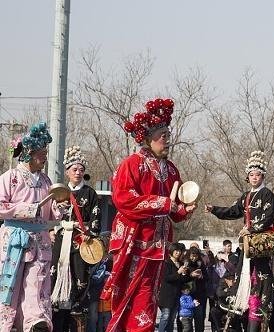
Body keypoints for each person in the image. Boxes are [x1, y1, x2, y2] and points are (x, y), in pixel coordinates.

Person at [100, 98, 196, 331]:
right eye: (162, 135)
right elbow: (124, 199)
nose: (167, 140)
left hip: (158, 246)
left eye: (167, 135)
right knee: (127, 296)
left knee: (148, 299)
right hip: (135, 243)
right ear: (148, 137)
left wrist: (184, 209)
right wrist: (164, 204)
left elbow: (176, 207)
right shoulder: (132, 164)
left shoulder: (170, 169)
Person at [205, 150, 274, 332]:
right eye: (251, 174)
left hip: (259, 245)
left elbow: (268, 217)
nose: (254, 177)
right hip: (246, 246)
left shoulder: (267, 194)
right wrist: (214, 209)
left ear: (263, 176)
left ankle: (257, 317)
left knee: (260, 283)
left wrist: (251, 228)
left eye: (258, 174)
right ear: (248, 176)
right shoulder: (246, 196)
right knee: (242, 284)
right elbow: (232, 211)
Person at [0, 122, 61, 332]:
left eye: (45, 152)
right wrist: (29, 209)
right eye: (41, 152)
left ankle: (36, 323)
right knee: (11, 288)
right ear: (28, 152)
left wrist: (59, 206)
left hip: (40, 241)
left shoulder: (46, 180)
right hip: (15, 240)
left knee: (38, 285)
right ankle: (6, 326)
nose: (44, 156)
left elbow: (52, 210)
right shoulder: (10, 178)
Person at [51, 146, 102, 331]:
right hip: (61, 240)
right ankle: (57, 318)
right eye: (74, 169)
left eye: (81, 169)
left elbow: (96, 223)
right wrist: (52, 228)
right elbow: (49, 217)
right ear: (67, 172)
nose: (78, 173)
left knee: (80, 280)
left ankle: (77, 317)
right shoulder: (58, 193)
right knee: (55, 274)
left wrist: (85, 230)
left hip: (80, 242)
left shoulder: (90, 194)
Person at [158, 243, 192, 332]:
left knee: (172, 319)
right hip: (167, 295)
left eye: (179, 251)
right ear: (172, 251)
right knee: (165, 316)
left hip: (177, 295)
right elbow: (167, 278)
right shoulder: (166, 263)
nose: (178, 252)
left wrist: (188, 274)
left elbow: (183, 280)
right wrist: (178, 272)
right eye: (176, 250)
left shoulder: (180, 263)